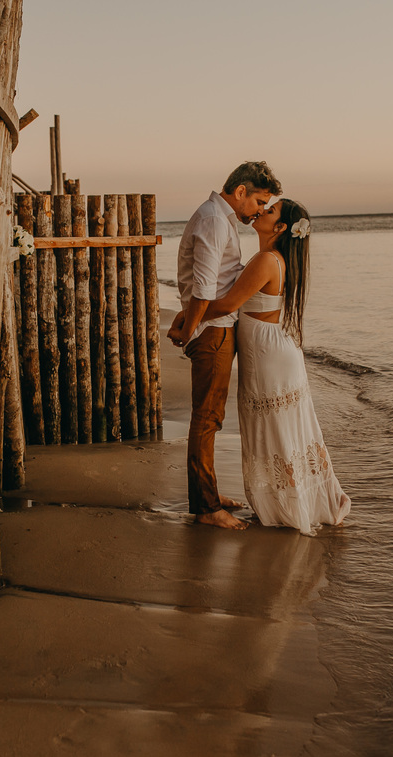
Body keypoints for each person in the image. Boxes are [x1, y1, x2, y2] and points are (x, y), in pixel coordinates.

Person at [171, 199, 350, 534]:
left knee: (274, 429)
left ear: (280, 228)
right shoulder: (275, 259)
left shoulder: (267, 260)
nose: (261, 211)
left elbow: (227, 303)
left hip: (268, 355)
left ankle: (286, 504)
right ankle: (292, 499)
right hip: (275, 350)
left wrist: (184, 321)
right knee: (282, 429)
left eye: (270, 211)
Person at [171, 162, 281, 529]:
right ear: (240, 193)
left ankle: (210, 496)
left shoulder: (220, 218)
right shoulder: (216, 221)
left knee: (211, 418)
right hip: (212, 331)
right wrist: (190, 331)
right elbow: (203, 288)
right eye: (259, 201)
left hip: (213, 328)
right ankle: (205, 509)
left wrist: (188, 323)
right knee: (206, 419)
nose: (261, 210)